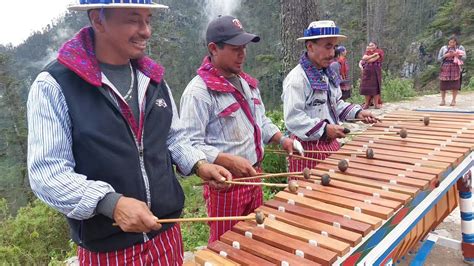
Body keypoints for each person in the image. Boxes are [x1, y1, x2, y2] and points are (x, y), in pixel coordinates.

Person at [27, 1, 232, 264]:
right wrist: (111, 203)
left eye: (148, 20)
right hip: (108, 250)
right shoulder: (55, 85)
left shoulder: (154, 79)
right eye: (133, 19)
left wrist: (198, 163)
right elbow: (47, 173)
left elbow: (173, 137)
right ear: (98, 20)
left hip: (166, 235)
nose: (146, 31)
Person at [179, 15, 303, 243]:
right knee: (227, 244)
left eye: (244, 48)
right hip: (226, 184)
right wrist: (226, 160)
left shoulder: (247, 83)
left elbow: (261, 122)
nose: (242, 54)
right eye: (236, 48)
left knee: (253, 238)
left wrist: (281, 139)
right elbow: (188, 144)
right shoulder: (198, 93)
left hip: (255, 176)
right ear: (214, 49)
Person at [282, 20, 377, 173]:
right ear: (310, 46)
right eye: (327, 47)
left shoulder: (328, 74)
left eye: (333, 47)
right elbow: (293, 118)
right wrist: (325, 129)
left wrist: (358, 113)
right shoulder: (297, 80)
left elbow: (336, 104)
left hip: (331, 145)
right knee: (309, 195)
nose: (332, 53)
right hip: (307, 152)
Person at [438, 36, 467, 106]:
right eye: (450, 42)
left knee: (455, 85)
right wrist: (446, 55)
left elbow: (464, 58)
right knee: (443, 85)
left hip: (456, 67)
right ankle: (443, 100)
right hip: (445, 68)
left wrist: (456, 55)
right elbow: (439, 59)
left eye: (453, 42)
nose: (452, 43)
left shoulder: (460, 47)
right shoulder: (443, 48)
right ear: (448, 42)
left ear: (456, 42)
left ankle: (453, 100)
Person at [360, 41, 384, 109]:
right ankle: (367, 103)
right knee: (366, 87)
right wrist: (373, 55)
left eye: (372, 45)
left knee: (375, 87)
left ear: (376, 46)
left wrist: (368, 58)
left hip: (375, 71)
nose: (371, 47)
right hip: (367, 72)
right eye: (370, 45)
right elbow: (364, 58)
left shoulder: (379, 51)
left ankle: (376, 104)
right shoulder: (367, 52)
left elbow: (370, 60)